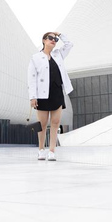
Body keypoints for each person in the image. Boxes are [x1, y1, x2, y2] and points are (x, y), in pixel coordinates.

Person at [27, 31, 74, 161]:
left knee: (55, 122)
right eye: (50, 38)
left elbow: (69, 44)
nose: (53, 40)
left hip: (57, 92)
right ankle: (41, 149)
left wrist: (60, 35)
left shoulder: (58, 54)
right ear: (44, 40)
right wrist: (32, 97)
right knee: (42, 124)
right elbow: (31, 78)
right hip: (42, 94)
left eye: (55, 39)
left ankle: (52, 151)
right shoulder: (35, 58)